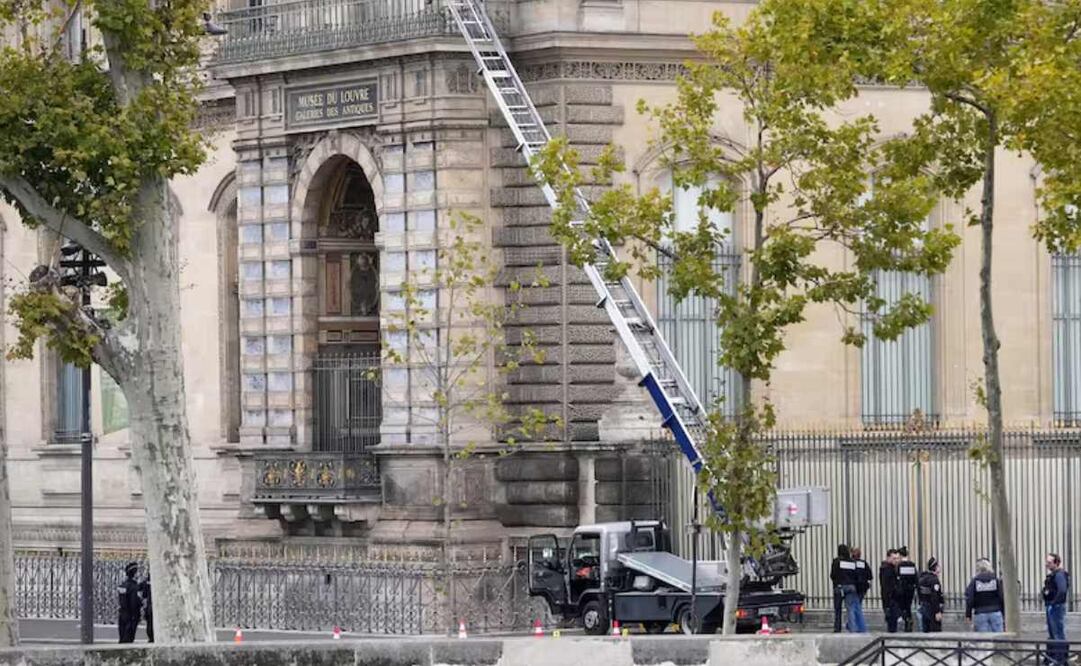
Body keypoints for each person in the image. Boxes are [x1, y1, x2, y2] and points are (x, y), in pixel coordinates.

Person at [831, 544, 867, 633]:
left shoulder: (837, 561)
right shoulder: (851, 562)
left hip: (840, 586)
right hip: (851, 586)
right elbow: (855, 574)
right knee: (850, 609)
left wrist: (837, 583)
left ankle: (837, 628)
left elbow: (833, 575)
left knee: (838, 609)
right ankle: (852, 628)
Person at [1043, 553, 1070, 666]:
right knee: (1054, 634)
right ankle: (1055, 659)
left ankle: (1060, 660)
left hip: (1056, 607)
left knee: (1057, 634)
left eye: (1049, 562)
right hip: (1053, 606)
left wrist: (1054, 603)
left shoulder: (1059, 575)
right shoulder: (1054, 575)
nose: (1047, 564)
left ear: (1056, 563)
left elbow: (1062, 590)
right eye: (1046, 562)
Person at [964, 558, 1004, 633]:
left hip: (980, 613)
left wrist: (968, 614)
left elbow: (969, 598)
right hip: (995, 612)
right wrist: (1003, 612)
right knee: (999, 639)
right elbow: (1001, 596)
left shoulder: (975, 581)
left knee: (984, 640)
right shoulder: (995, 580)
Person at [117, 561, 142, 644]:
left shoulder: (122, 585)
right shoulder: (134, 587)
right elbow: (134, 602)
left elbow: (121, 600)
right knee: (128, 639)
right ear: (134, 573)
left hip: (123, 614)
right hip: (131, 615)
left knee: (122, 637)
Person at [917, 557, 944, 633]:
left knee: (926, 630)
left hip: (923, 606)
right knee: (935, 630)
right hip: (932, 609)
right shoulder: (934, 580)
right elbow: (934, 596)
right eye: (938, 566)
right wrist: (937, 611)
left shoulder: (922, 578)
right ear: (935, 568)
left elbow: (919, 592)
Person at [896, 546, 919, 632]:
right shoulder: (912, 565)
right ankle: (908, 620)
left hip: (902, 590)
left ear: (901, 556)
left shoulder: (899, 566)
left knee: (902, 607)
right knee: (908, 606)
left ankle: (906, 620)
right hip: (911, 590)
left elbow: (897, 577)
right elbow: (915, 578)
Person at [880, 549, 901, 633]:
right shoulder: (887, 569)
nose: (896, 560)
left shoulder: (892, 568)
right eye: (894, 558)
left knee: (893, 623)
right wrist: (887, 604)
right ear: (888, 558)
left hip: (893, 599)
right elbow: (886, 587)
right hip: (891, 599)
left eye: (897, 558)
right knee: (892, 624)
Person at [139, 573, 154, 643]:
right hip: (151, 606)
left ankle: (150, 638)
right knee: (151, 623)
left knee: (149, 623)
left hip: (149, 607)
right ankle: (152, 637)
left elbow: (140, 589)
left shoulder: (145, 583)